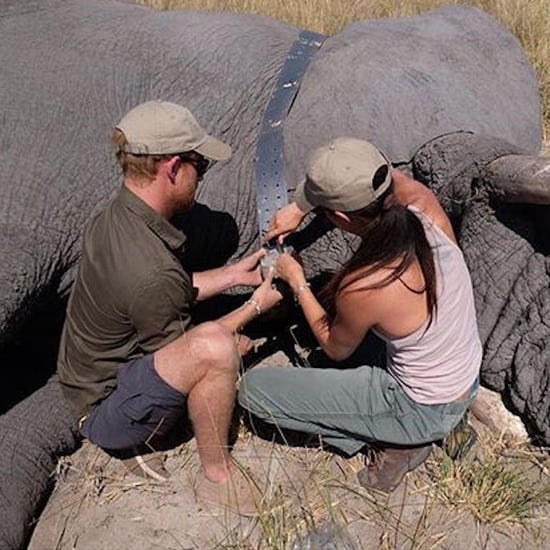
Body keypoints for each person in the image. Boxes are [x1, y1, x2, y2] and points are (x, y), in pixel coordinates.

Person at [57, 100, 282, 516]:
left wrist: (234, 275)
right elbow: (196, 349)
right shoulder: (150, 271)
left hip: (86, 375)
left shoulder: (118, 217)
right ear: (173, 168)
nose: (201, 177)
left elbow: (166, 289)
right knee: (219, 349)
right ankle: (216, 477)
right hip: (107, 408)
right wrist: (255, 305)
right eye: (201, 165)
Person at [238, 137, 481, 492]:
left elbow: (336, 347)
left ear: (339, 217)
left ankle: (398, 442)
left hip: (419, 406)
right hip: (463, 381)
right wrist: (300, 206)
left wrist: (298, 281)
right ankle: (430, 427)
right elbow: (377, 171)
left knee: (254, 391)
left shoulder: (367, 284)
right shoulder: (424, 205)